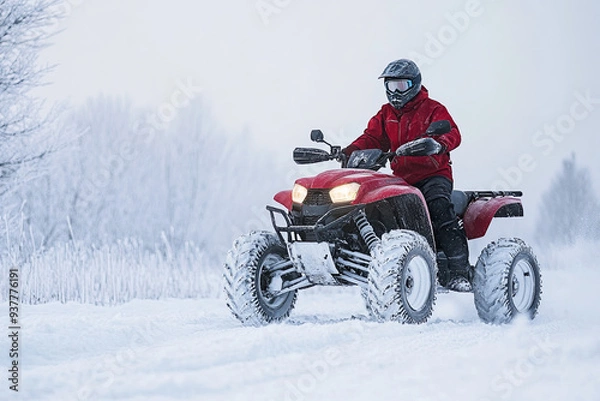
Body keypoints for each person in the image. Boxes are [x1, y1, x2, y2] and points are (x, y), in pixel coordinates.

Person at [342, 59, 471, 292]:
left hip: (433, 174)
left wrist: (438, 143)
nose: (395, 92)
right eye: (391, 86)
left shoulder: (433, 109)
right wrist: (350, 151)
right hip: (401, 179)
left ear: (415, 84)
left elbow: (453, 133)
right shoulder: (385, 114)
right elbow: (371, 138)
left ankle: (460, 272)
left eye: (401, 86)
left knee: (439, 207)